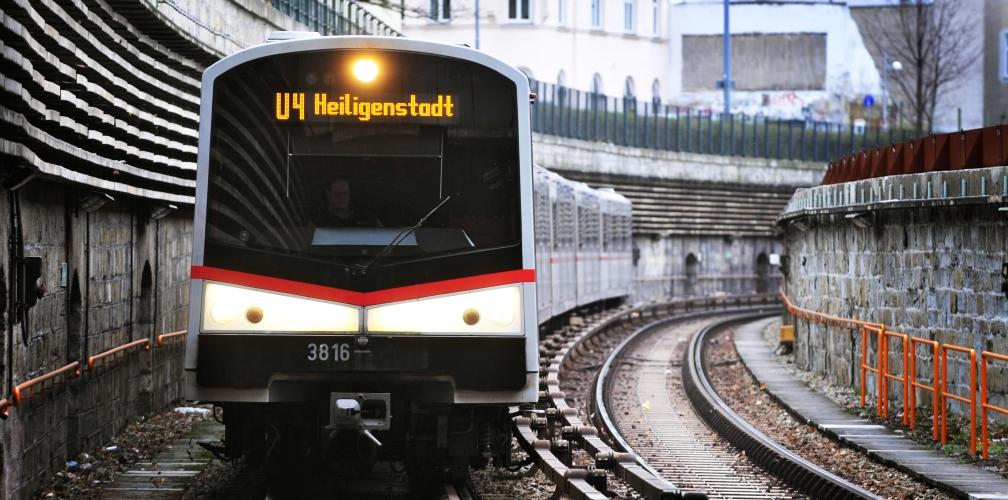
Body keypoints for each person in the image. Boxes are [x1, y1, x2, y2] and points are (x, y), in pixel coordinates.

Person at [312, 178, 383, 228]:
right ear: (328, 195)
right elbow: (307, 248)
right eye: (337, 193)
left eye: (345, 193)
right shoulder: (317, 222)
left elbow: (387, 246)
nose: (342, 197)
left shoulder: (368, 217)